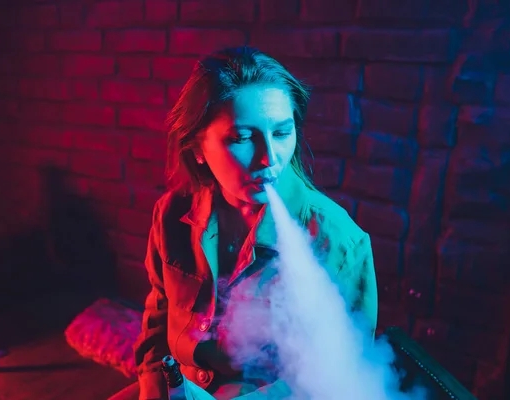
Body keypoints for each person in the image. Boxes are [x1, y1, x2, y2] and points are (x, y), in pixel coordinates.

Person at [109, 46, 377, 400]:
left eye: (282, 133)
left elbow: (339, 371)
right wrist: (151, 384)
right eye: (243, 138)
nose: (270, 159)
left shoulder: (338, 242)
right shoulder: (172, 213)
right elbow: (158, 317)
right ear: (198, 149)